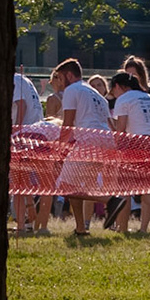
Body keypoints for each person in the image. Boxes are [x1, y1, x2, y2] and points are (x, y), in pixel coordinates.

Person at [44, 58, 111, 236]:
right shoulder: (96, 94)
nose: (59, 83)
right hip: (106, 140)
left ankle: (111, 200)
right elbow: (109, 122)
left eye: (60, 78)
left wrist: (59, 151)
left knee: (65, 185)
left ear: (69, 75)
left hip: (88, 140)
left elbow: (67, 123)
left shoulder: (72, 90)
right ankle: (81, 228)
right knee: (78, 187)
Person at [108, 69, 150, 234]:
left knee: (126, 187)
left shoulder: (123, 99)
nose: (114, 95)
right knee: (146, 187)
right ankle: (144, 228)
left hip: (137, 144)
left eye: (113, 91)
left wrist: (117, 148)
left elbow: (121, 130)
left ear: (118, 86)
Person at [12, 65, 50, 236]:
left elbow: (22, 105)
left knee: (18, 180)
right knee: (41, 182)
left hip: (24, 134)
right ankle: (39, 225)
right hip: (39, 133)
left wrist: (15, 130)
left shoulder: (14, 79)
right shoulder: (25, 80)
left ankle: (22, 224)